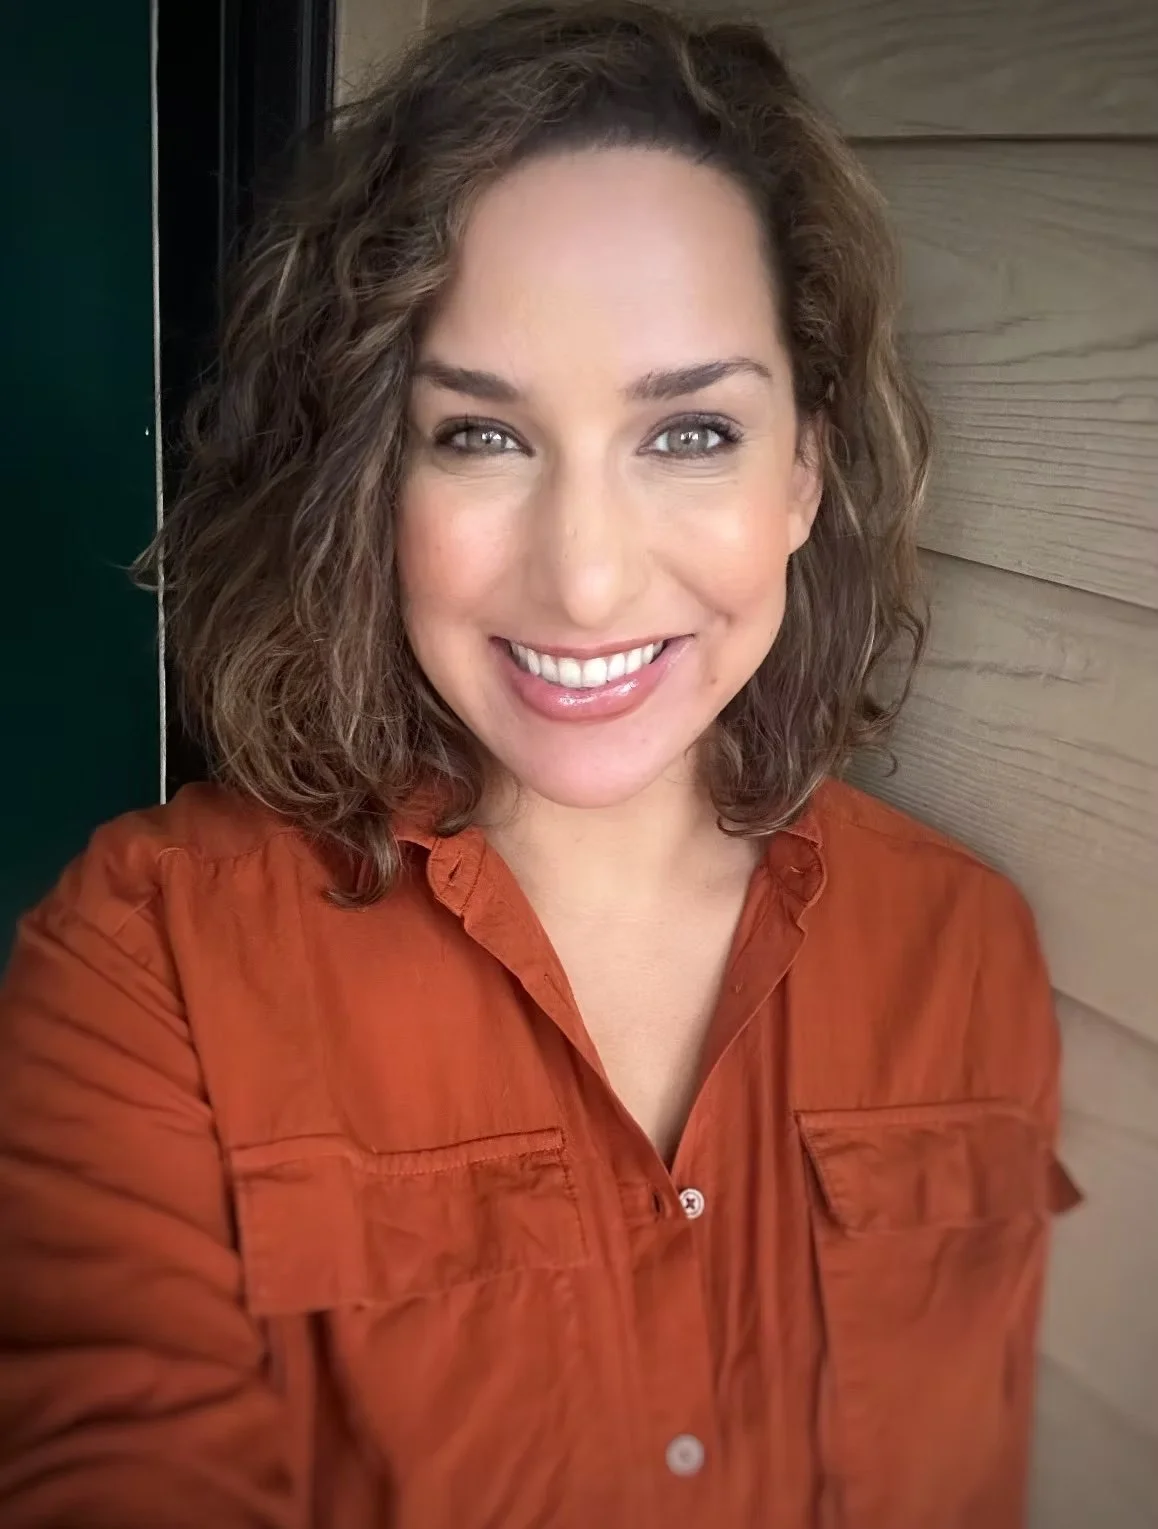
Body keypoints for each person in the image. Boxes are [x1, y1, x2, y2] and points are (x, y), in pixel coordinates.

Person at [0, 3, 1081, 1526]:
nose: (584, 582)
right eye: (482, 439)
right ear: (372, 478)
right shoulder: (150, 964)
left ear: (804, 475)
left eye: (691, 432)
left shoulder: (963, 951)